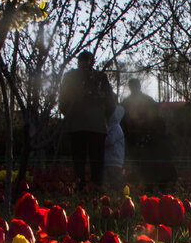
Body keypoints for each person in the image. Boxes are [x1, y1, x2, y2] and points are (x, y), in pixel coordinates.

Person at [57, 50, 116, 187]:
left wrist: (69, 114)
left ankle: (81, 188)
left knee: (79, 162)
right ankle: (95, 188)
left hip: (78, 125)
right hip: (96, 126)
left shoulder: (71, 77)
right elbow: (111, 102)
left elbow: (63, 101)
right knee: (96, 162)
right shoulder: (100, 77)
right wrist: (104, 117)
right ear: (93, 62)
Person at [121, 78, 176, 188]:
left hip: (146, 138)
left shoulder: (144, 101)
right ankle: (142, 185)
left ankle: (147, 185)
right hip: (135, 137)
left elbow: (155, 118)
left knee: (146, 163)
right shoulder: (129, 102)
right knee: (139, 163)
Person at [104, 105, 125, 188]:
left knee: (115, 180)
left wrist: (103, 139)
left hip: (114, 159)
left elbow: (110, 140)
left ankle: (118, 193)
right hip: (112, 159)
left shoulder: (115, 128)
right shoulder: (111, 127)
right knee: (112, 180)